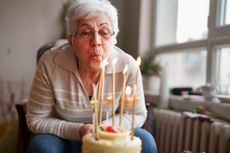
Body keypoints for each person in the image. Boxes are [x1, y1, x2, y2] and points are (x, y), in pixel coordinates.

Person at [26, 0, 157, 153]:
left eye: (104, 32)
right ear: (71, 40)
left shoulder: (127, 66)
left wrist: (101, 129)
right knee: (43, 148)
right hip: (62, 137)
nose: (96, 42)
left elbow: (137, 114)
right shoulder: (50, 63)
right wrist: (79, 130)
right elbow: (36, 119)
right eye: (86, 32)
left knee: (146, 142)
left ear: (114, 38)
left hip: (109, 136)